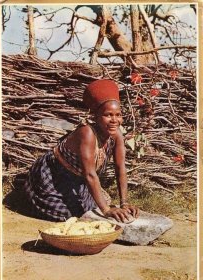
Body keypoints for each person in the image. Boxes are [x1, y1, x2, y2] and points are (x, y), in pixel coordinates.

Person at [24, 79, 139, 223]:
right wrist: (107, 210)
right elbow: (89, 174)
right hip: (53, 175)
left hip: (77, 181)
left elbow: (120, 167)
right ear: (95, 117)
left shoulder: (116, 135)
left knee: (88, 210)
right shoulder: (87, 133)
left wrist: (124, 203)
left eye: (118, 114)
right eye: (108, 115)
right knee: (69, 215)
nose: (114, 120)